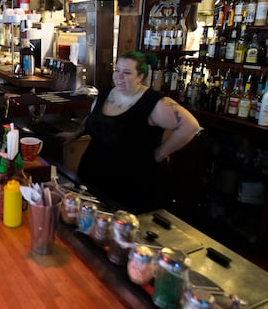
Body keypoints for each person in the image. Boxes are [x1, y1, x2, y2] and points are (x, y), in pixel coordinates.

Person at [57, 51, 200, 214]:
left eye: (127, 73)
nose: (119, 76)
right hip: (94, 178)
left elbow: (191, 126)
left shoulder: (154, 103)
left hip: (132, 186)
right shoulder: (105, 95)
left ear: (140, 76)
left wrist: (161, 153)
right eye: (117, 70)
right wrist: (74, 135)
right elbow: (92, 119)